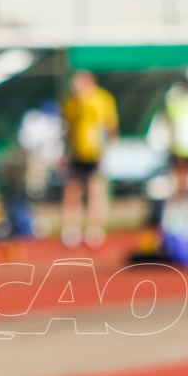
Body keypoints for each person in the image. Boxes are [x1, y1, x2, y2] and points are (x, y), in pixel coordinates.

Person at [61, 71, 118, 248]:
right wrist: (65, 152)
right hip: (76, 153)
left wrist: (105, 151)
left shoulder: (102, 99)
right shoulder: (69, 102)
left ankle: (95, 230)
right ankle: (71, 230)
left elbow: (110, 128)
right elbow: (67, 129)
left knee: (95, 191)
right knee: (72, 191)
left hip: (95, 153)